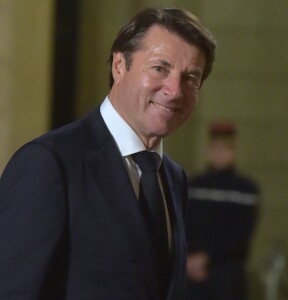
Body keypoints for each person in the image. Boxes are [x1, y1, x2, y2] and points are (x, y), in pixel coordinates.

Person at [0, 7, 216, 300]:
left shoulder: (175, 179)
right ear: (119, 66)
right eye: (159, 68)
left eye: (191, 78)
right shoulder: (49, 164)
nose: (175, 90)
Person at [185, 122, 260, 300]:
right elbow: (184, 225)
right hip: (191, 275)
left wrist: (207, 257)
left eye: (225, 148)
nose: (219, 153)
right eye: (215, 147)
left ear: (233, 151)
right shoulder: (194, 185)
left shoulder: (246, 189)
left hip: (227, 276)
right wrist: (188, 259)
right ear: (208, 150)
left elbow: (241, 234)